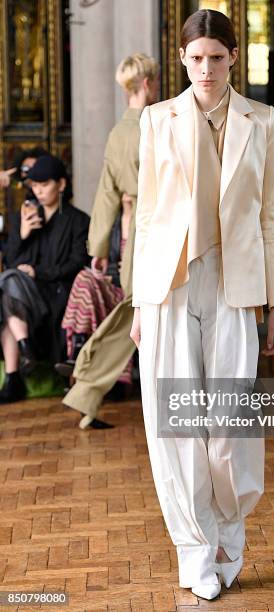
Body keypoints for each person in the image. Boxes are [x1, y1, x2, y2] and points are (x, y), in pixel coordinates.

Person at [130, 9, 274, 601]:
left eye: (216, 58)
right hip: (169, 284)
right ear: (182, 59)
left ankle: (229, 533)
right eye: (195, 58)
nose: (205, 69)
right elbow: (147, 218)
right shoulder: (155, 120)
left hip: (236, 282)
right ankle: (195, 548)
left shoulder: (262, 121)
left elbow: (273, 218)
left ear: (232, 59)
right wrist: (141, 303)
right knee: (176, 426)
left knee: (228, 423)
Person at [62, 53, 160, 429]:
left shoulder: (118, 133)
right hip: (159, 234)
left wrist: (99, 250)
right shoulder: (157, 127)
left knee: (135, 316)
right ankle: (87, 381)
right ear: (148, 83)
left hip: (134, 237)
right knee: (140, 318)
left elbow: (106, 195)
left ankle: (86, 388)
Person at [0, 154, 90, 403]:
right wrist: (23, 234)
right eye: (35, 186)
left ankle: (14, 374)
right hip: (26, 294)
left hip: (57, 292)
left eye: (45, 185)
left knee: (7, 286)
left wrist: (39, 272)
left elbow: (77, 263)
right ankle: (24, 348)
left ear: (61, 185)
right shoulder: (26, 216)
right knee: (8, 282)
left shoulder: (78, 220)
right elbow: (11, 260)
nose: (39, 191)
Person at [55, 192, 134, 391]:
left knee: (86, 287)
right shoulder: (111, 223)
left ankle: (79, 354)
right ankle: (80, 349)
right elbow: (103, 266)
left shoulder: (147, 219)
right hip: (112, 287)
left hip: (134, 293)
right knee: (85, 279)